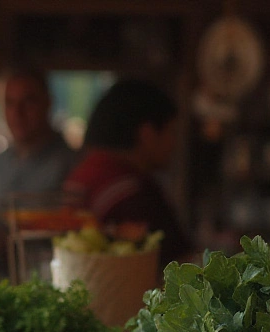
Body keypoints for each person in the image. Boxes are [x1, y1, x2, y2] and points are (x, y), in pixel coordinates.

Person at [64, 78, 192, 265]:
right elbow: (180, 265)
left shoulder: (80, 174)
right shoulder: (133, 193)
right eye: (171, 132)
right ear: (147, 134)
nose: (174, 144)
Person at [0, 68, 79, 272]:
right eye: (10, 103)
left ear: (48, 103)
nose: (17, 113)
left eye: (28, 101)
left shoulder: (71, 163)